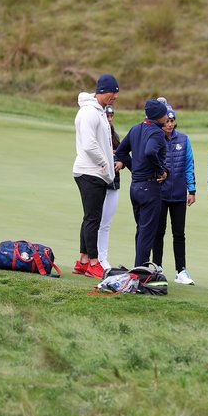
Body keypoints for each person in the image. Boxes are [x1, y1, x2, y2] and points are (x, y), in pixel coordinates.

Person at [72, 74, 119, 279]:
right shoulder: (90, 113)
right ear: (103, 91)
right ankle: (93, 263)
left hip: (94, 172)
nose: (115, 97)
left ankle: (82, 261)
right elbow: (89, 145)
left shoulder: (97, 111)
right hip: (90, 171)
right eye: (113, 93)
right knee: (94, 219)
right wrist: (105, 164)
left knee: (89, 217)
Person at [115, 99, 169, 268]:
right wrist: (161, 171)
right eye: (164, 113)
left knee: (142, 229)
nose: (167, 116)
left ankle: (139, 267)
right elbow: (150, 151)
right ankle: (140, 273)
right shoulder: (157, 133)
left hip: (135, 187)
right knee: (147, 232)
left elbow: (121, 151)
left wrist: (135, 168)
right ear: (158, 116)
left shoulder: (136, 128)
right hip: (150, 188)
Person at [151, 102, 197, 285]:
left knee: (179, 233)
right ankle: (157, 266)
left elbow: (189, 165)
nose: (169, 124)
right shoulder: (156, 138)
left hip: (178, 193)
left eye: (172, 121)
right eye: (167, 121)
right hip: (159, 194)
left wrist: (191, 190)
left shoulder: (183, 140)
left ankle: (181, 270)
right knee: (158, 231)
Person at [97, 104, 121, 270]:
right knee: (95, 221)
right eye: (107, 116)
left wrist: (121, 162)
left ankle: (102, 258)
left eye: (112, 116)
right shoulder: (98, 134)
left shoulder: (115, 136)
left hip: (114, 183)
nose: (110, 119)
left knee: (106, 222)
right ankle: (94, 257)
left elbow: (123, 155)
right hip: (98, 182)